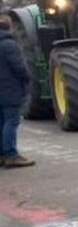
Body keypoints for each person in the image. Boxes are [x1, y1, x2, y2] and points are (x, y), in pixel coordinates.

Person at [0, 15, 34, 167]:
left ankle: (1, 155)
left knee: (1, 122)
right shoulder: (9, 45)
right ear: (8, 27)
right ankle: (11, 155)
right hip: (9, 90)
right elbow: (19, 67)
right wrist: (27, 78)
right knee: (11, 122)